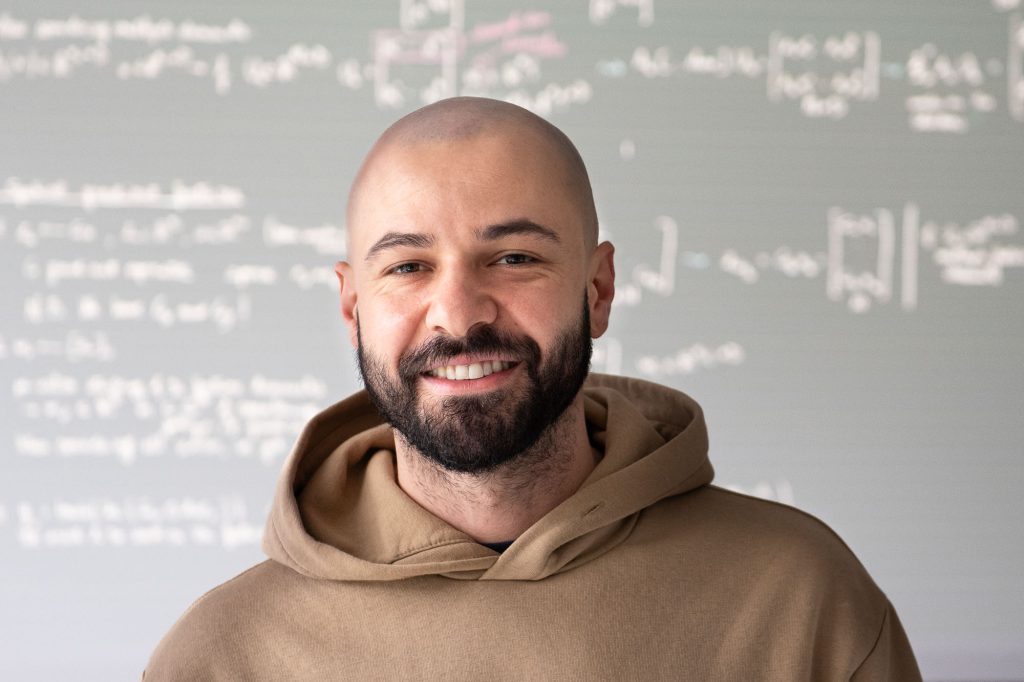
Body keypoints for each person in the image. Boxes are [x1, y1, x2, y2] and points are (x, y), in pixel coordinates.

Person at [144, 97, 921, 680]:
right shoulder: (224, 656)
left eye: (514, 258)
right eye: (409, 266)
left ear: (598, 289)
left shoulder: (799, 599)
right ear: (352, 309)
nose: (459, 314)